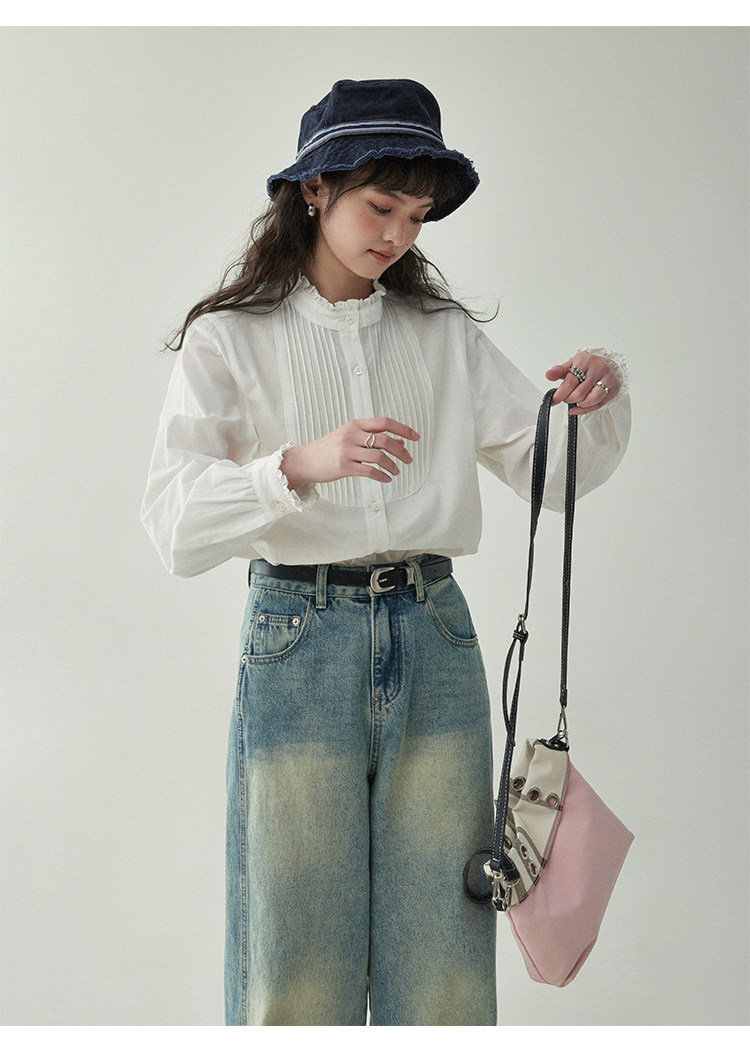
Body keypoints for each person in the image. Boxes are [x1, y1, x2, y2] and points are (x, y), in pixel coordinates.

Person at [141, 78, 630, 1026]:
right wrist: (297, 465)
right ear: (315, 188)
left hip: (434, 633)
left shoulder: (442, 336)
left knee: (442, 961)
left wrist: (596, 397)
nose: (399, 234)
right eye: (380, 206)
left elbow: (554, 475)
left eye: (417, 214)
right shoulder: (230, 339)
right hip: (298, 637)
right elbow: (173, 524)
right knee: (294, 957)